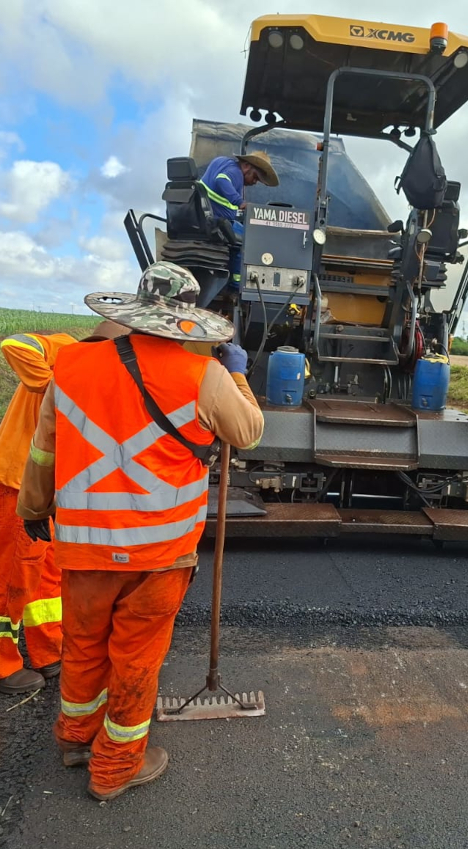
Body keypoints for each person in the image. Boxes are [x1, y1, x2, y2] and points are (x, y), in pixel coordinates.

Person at [17, 262, 264, 801]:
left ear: (134, 310)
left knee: (83, 647)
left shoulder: (73, 364)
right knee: (136, 658)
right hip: (158, 552)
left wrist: (32, 507)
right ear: (184, 321)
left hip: (83, 544)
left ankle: (77, 740)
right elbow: (247, 432)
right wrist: (238, 374)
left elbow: (44, 449)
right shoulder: (205, 376)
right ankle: (116, 768)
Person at [0, 330, 81, 694]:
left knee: (47, 573)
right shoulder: (68, 351)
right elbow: (15, 343)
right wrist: (55, 389)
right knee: (13, 578)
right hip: (16, 486)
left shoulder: (102, 377)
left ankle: (49, 652)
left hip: (44, 491)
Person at [198, 151, 280, 289]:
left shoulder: (221, 161)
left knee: (241, 230)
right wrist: (239, 202)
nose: (254, 182)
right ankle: (237, 283)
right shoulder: (236, 174)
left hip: (205, 218)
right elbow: (221, 180)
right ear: (247, 166)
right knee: (250, 239)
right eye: (255, 177)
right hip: (216, 222)